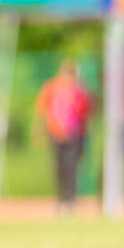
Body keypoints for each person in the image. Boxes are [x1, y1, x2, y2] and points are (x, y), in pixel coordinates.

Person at [34, 59, 93, 214]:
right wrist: (40, 131)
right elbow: (42, 110)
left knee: (72, 168)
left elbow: (87, 112)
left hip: (74, 135)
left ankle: (70, 200)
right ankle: (62, 198)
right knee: (59, 168)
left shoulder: (79, 90)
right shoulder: (52, 87)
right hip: (56, 133)